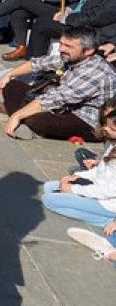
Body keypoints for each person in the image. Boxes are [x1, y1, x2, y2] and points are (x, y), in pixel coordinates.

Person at [0, 27, 116, 140]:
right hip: (64, 106)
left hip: (87, 120)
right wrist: (8, 75)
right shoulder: (74, 57)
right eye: (61, 43)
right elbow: (39, 63)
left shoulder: (96, 72)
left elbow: (56, 98)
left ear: (88, 51)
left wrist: (17, 115)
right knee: (11, 85)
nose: (61, 49)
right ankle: (20, 116)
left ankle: (21, 118)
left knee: (36, 120)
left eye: (68, 46)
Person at [43, 98, 116, 264]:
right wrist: (79, 177)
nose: (104, 127)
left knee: (50, 200)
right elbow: (101, 173)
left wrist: (75, 190)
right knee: (50, 187)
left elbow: (108, 190)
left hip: (108, 204)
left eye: (110, 126)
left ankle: (106, 223)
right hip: (100, 191)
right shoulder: (113, 144)